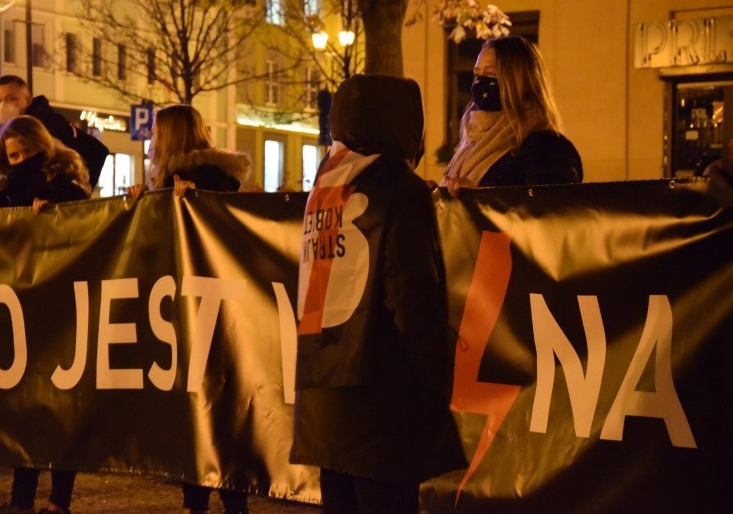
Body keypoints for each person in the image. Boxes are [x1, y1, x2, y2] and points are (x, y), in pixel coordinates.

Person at [290, 74, 466, 514]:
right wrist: (438, 380)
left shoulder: (326, 187)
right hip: (383, 406)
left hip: (326, 406)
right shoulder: (400, 190)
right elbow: (414, 299)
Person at [127, 104, 251, 514]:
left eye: (156, 135)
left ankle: (206, 501)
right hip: (196, 309)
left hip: (198, 309)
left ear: (171, 137)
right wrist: (145, 203)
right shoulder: (178, 181)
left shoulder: (208, 180)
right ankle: (221, 500)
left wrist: (191, 202)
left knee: (203, 406)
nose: (150, 144)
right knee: (210, 405)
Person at [0, 115, 90, 514]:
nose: (19, 161)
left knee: (62, 408)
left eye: (25, 153)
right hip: (21, 305)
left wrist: (55, 208)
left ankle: (57, 499)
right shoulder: (8, 186)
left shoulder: (64, 183)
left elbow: (83, 219)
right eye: (12, 156)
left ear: (40, 149)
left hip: (61, 307)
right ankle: (22, 499)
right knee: (24, 408)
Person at [441, 35, 582, 194]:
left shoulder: (546, 147)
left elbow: (549, 212)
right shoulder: (471, 144)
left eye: (491, 75)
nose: (480, 82)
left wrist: (482, 199)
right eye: (477, 74)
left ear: (521, 82)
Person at [0, 75, 109, 189]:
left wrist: (79, 189)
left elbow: (97, 150)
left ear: (28, 100)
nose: (2, 105)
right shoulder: (13, 130)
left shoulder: (48, 125)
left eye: (10, 99)